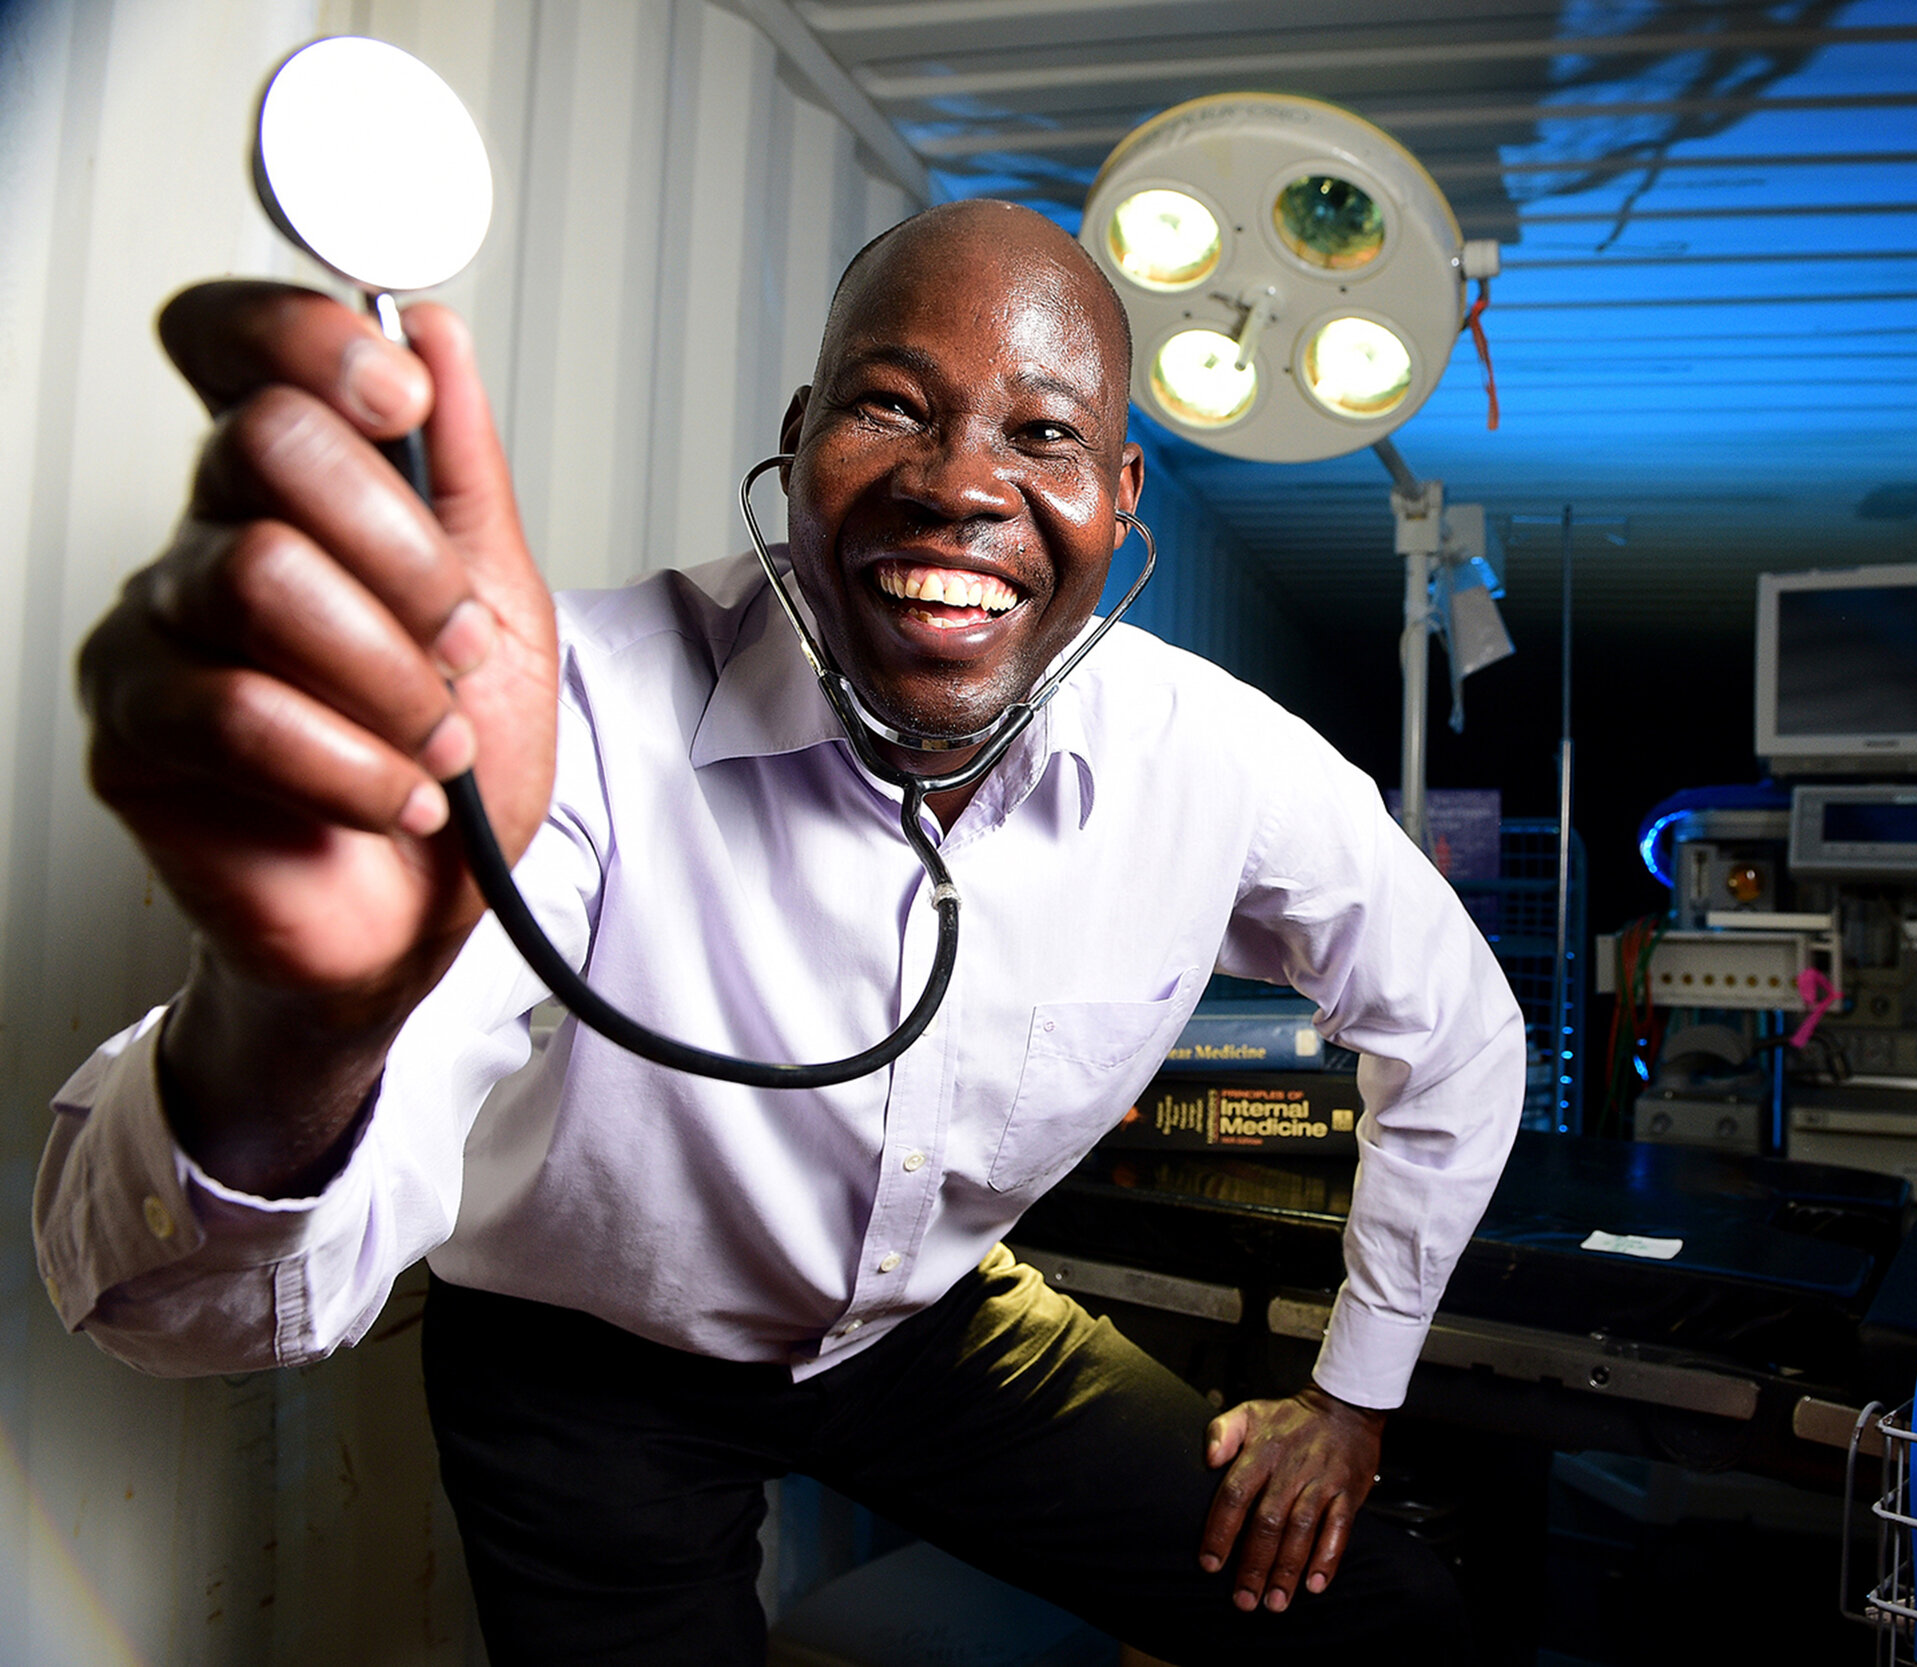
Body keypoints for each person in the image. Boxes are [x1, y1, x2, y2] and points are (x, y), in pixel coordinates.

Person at [35, 199, 1523, 1665]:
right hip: (582, 1363)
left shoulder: (1219, 758)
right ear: (804, 436)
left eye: (1043, 434)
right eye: (893, 407)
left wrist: (1352, 1395)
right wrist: (306, 1024)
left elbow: (1457, 1032)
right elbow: (185, 1310)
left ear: (1123, 495)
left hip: (932, 1329)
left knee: (1393, 1623)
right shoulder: (568, 718)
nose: (958, 487)